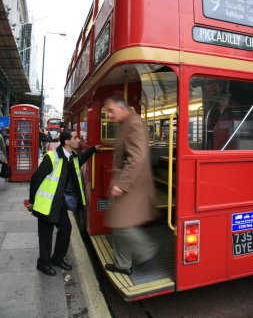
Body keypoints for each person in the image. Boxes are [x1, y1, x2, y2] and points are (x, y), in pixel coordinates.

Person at [25, 129, 98, 276]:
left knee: (66, 229)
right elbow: (36, 179)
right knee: (46, 234)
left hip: (60, 203)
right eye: (75, 138)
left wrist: (94, 149)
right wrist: (32, 202)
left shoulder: (72, 157)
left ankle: (57, 258)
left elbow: (81, 160)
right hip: (46, 203)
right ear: (67, 141)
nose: (79, 140)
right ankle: (43, 263)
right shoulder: (52, 157)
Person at [104, 97, 157, 275]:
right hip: (125, 182)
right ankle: (123, 265)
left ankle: (146, 253)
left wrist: (121, 185)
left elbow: (137, 158)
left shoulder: (134, 123)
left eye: (111, 111)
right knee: (118, 224)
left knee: (121, 225)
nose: (109, 115)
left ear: (122, 108)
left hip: (131, 185)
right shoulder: (126, 123)